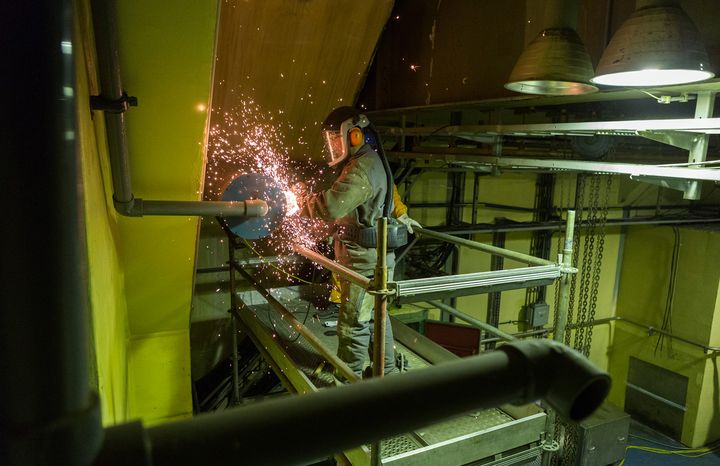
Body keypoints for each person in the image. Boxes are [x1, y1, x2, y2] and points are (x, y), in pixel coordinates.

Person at [298, 106, 419, 378]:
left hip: (364, 262)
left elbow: (331, 206)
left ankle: (347, 378)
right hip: (370, 258)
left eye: (338, 139)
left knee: (355, 322)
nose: (336, 145)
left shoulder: (362, 167)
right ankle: (384, 372)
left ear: (354, 136)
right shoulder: (367, 161)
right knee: (377, 317)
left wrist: (300, 202)